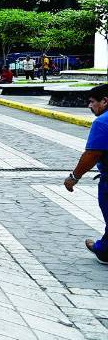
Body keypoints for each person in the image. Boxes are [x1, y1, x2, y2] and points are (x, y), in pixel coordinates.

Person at [64, 84, 108, 265]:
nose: (89, 107)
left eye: (91, 102)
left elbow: (91, 155)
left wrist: (73, 177)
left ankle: (104, 251)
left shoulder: (102, 122)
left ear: (105, 101)